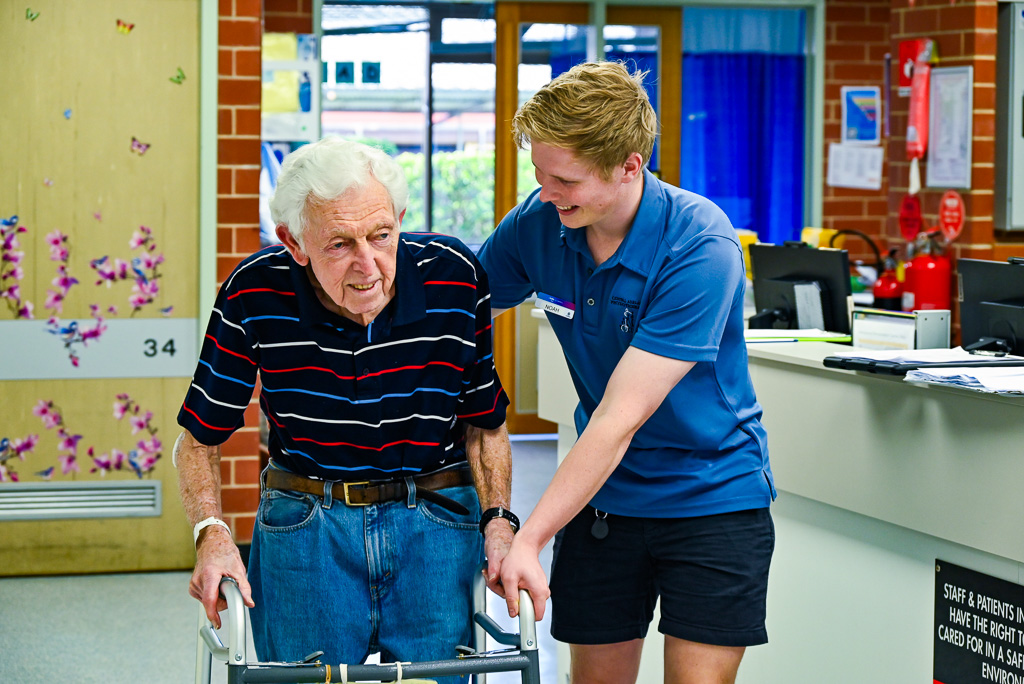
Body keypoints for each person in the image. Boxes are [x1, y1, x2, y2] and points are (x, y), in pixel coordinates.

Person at [175, 137, 527, 682]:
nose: (368, 265)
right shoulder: (254, 293)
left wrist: (499, 523)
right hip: (308, 520)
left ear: (401, 219)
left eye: (382, 236)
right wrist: (212, 531)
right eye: (339, 244)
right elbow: (199, 438)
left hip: (433, 520)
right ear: (295, 242)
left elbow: (485, 426)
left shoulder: (455, 278)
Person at [477, 61, 776, 684]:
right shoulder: (539, 222)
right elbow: (459, 308)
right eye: (539, 172)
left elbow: (619, 417)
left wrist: (528, 537)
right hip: (604, 505)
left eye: (565, 179)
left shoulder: (700, 243)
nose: (546, 190)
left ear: (630, 165)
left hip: (711, 501)